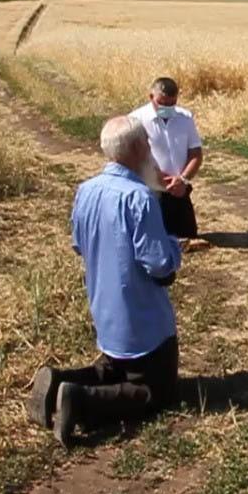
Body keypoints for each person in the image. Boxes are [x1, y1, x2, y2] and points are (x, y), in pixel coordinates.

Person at [26, 116, 183, 447]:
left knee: (115, 368)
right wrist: (172, 239)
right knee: (155, 390)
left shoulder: (86, 190)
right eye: (149, 146)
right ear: (140, 148)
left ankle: (60, 382)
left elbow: (78, 245)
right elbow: (160, 266)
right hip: (144, 321)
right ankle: (81, 401)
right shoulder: (140, 199)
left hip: (105, 312)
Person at [129, 77, 209, 250]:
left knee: (188, 237)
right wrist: (155, 177)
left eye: (171, 104)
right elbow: (130, 158)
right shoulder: (136, 120)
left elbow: (196, 154)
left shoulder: (185, 118)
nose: (166, 109)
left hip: (179, 190)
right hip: (151, 193)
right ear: (151, 97)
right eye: (162, 104)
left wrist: (183, 179)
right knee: (153, 243)